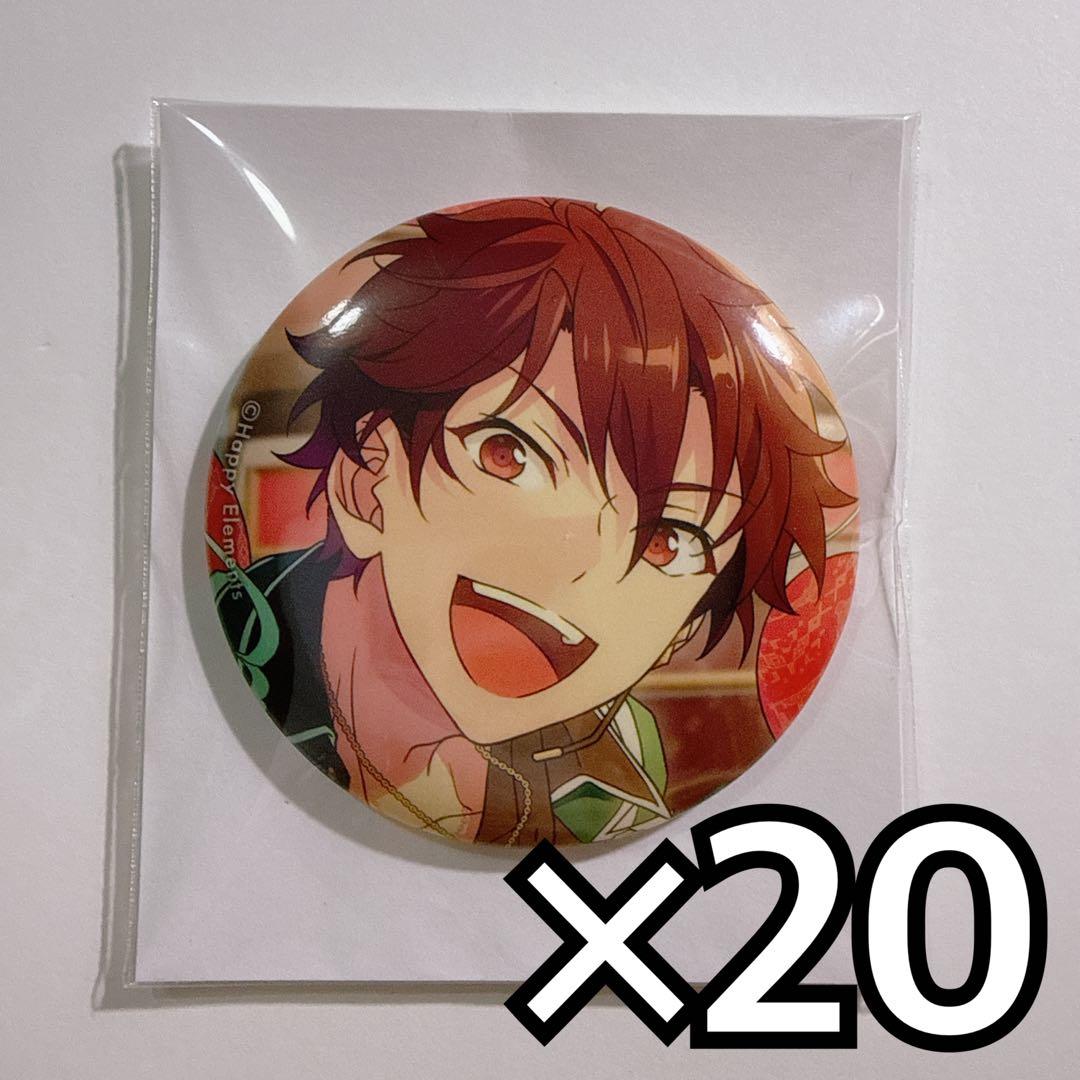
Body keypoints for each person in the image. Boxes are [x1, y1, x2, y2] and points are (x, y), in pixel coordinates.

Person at [210, 197, 855, 846]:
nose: (575, 564)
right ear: (367, 482)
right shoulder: (236, 680)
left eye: (668, 540)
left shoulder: (623, 768)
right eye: (509, 453)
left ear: (679, 630)